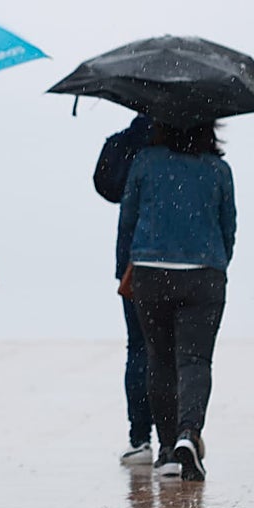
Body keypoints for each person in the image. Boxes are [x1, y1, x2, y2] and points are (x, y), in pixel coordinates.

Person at [118, 120, 235, 482]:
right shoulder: (218, 169)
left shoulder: (146, 160)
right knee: (196, 360)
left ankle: (167, 450)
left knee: (160, 358)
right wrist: (216, 262)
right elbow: (227, 225)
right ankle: (188, 432)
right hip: (203, 271)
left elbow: (128, 219)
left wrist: (127, 265)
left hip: (152, 271)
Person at [94, 115, 156, 465]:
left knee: (139, 348)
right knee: (179, 352)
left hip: (134, 260)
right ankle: (180, 434)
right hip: (184, 259)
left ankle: (140, 437)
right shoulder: (189, 138)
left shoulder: (125, 143)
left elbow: (106, 187)